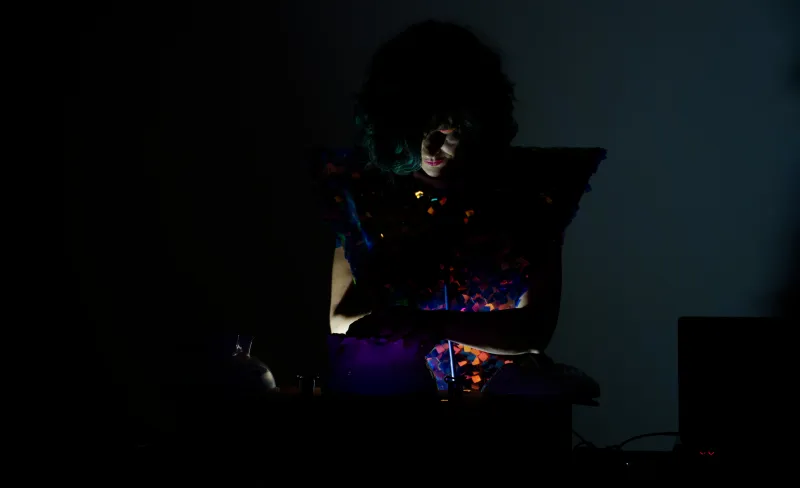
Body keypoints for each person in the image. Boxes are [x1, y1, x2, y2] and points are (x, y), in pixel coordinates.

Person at [320, 20, 605, 392]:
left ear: (478, 122)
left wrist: (431, 323)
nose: (430, 148)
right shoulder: (363, 195)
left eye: (447, 131)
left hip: (501, 404)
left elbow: (535, 328)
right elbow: (341, 320)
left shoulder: (531, 196)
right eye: (417, 131)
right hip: (396, 396)